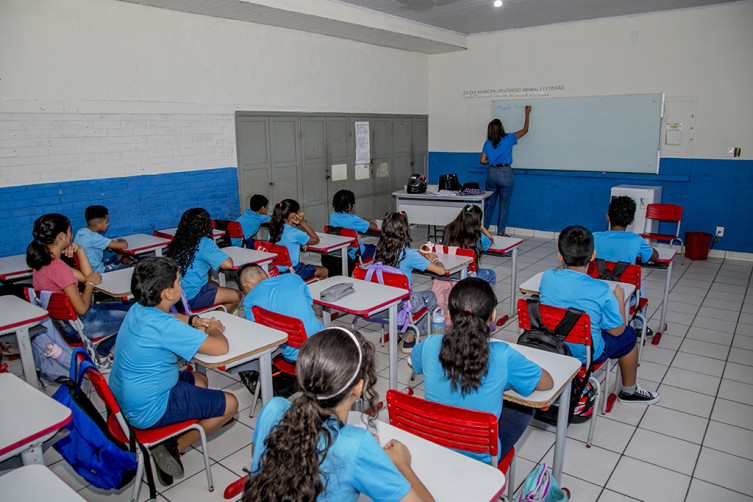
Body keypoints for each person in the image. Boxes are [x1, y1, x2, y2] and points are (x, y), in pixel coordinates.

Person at [244, 327, 434, 502]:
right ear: (358, 388)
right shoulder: (356, 446)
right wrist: (401, 464)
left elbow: (260, 459)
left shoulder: (273, 408)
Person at [109, 257, 238, 485]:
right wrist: (214, 329)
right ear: (168, 293)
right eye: (179, 282)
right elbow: (220, 347)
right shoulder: (164, 327)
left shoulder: (139, 309)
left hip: (125, 400)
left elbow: (168, 316)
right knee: (230, 404)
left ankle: (172, 435)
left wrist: (193, 320)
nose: (181, 285)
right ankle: (172, 447)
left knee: (200, 379)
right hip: (149, 408)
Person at [411, 278, 552, 462]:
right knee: (523, 409)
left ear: (448, 313)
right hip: (481, 458)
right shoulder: (502, 354)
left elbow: (416, 364)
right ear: (493, 315)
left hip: (435, 443)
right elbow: (546, 384)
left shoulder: (430, 344)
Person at [540, 225, 661, 405]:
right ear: (593, 256)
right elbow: (616, 331)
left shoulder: (547, 277)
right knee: (628, 335)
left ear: (560, 255)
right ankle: (629, 392)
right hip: (585, 354)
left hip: (550, 345)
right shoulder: (601, 290)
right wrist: (619, 301)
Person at [27, 213, 129, 355]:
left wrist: (80, 250)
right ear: (61, 236)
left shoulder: (45, 262)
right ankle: (102, 352)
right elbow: (82, 308)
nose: (72, 235)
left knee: (131, 308)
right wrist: (90, 284)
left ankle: (103, 350)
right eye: (70, 231)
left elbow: (86, 276)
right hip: (79, 325)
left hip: (65, 324)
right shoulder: (59, 268)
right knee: (133, 317)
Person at [374, 211, 446, 352]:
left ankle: (397, 333)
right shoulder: (409, 254)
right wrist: (434, 258)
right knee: (431, 297)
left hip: (384, 301)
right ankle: (410, 337)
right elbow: (441, 271)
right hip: (404, 303)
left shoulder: (379, 251)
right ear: (405, 230)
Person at [593, 196, 658, 335]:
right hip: (626, 298)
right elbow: (653, 257)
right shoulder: (636, 239)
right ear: (631, 220)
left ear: (607, 216)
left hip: (597, 292)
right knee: (638, 278)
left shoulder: (594, 237)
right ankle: (640, 326)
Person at [237, 263, 325, 363]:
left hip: (294, 357)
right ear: (267, 275)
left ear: (246, 284)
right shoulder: (294, 278)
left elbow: (254, 331)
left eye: (244, 291)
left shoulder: (250, 300)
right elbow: (309, 306)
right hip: (324, 344)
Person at [166, 208, 241, 313]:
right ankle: (215, 318)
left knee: (214, 284)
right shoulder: (203, 242)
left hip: (175, 296)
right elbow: (228, 264)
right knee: (236, 295)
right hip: (191, 297)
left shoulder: (178, 241)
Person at [479, 105, 531, 236]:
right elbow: (525, 130)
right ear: (501, 127)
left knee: (489, 204)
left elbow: (482, 160)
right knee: (504, 204)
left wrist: (493, 160)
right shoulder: (509, 138)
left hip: (492, 173)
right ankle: (501, 232)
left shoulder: (487, 143)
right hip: (506, 173)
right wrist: (527, 113)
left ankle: (484, 230)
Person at [268, 199, 328, 281]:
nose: (301, 214)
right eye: (299, 211)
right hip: (293, 271)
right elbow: (316, 240)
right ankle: (305, 286)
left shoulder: (272, 230)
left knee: (302, 264)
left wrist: (301, 242)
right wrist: (303, 223)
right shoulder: (294, 233)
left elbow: (286, 242)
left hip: (277, 270)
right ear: (293, 215)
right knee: (324, 271)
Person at [442, 204, 496, 287]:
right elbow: (490, 240)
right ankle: (481, 294)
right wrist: (481, 227)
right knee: (492, 275)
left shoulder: (448, 230)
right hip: (468, 276)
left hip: (449, 272)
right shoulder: (479, 236)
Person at [73, 205, 134, 273]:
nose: (108, 224)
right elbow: (124, 245)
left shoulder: (81, 232)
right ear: (98, 224)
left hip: (89, 268)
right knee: (131, 268)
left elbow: (94, 244)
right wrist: (122, 241)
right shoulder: (95, 238)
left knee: (121, 255)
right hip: (98, 272)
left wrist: (106, 246)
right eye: (106, 222)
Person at [329, 189, 377, 262]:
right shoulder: (353, 219)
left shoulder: (332, 216)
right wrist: (369, 221)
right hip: (355, 253)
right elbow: (374, 227)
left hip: (339, 250)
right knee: (376, 248)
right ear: (349, 205)